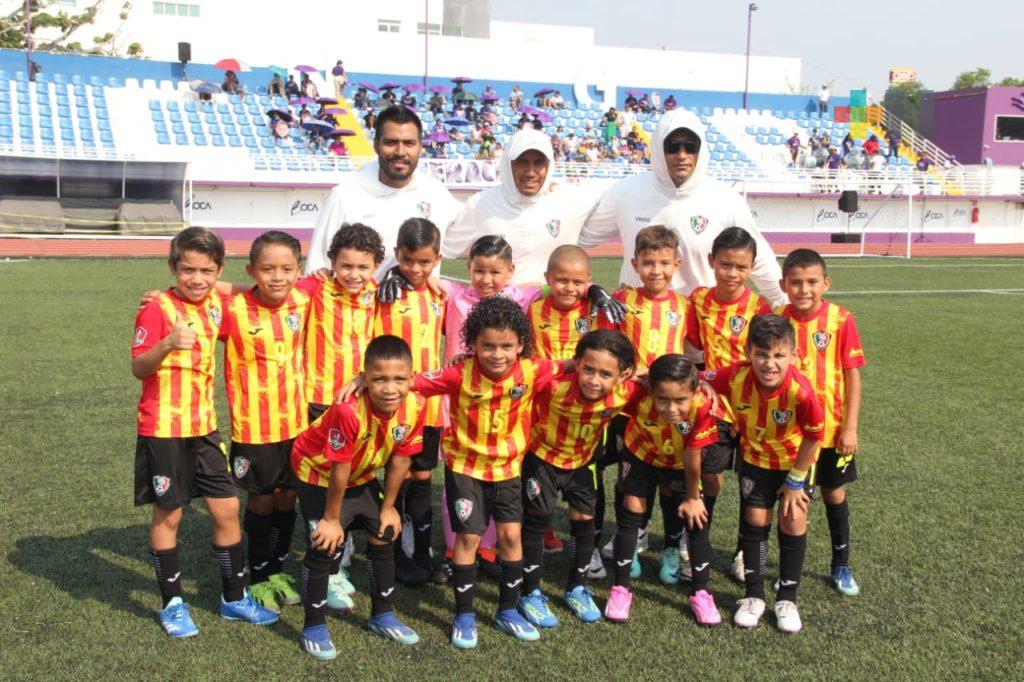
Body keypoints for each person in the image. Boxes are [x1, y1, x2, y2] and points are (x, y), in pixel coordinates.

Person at [132, 227, 278, 638]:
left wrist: (230, 283)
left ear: (218, 271)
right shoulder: (157, 307)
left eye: (207, 271)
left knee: (227, 509)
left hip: (205, 429)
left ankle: (233, 598)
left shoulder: (216, 301)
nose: (196, 279)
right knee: (170, 514)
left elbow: (255, 289)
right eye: (188, 270)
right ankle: (172, 604)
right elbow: (138, 367)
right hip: (163, 430)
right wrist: (167, 343)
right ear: (172, 268)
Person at [291, 335, 427, 658]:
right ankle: (313, 626)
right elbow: (339, 468)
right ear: (364, 379)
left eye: (399, 379)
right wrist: (331, 519)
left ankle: (382, 615)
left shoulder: (417, 405)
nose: (389, 388)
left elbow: (401, 460)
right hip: (318, 470)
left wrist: (389, 508)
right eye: (379, 379)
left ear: (411, 378)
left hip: (360, 471)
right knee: (325, 542)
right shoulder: (348, 410)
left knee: (384, 531)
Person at [578, 108, 786, 306]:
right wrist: (586, 288)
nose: (682, 155)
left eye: (690, 146)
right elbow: (579, 238)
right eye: (673, 146)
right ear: (658, 148)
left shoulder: (726, 199)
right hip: (638, 320)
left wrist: (785, 304)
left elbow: (760, 258)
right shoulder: (626, 192)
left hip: (700, 322)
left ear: (701, 149)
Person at [703, 314, 826, 633]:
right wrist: (698, 384)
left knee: (792, 520)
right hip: (755, 461)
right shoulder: (735, 376)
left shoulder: (801, 391)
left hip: (794, 464)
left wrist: (796, 480)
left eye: (779, 355)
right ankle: (754, 596)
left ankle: (787, 599)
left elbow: (814, 436)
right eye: (761, 354)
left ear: (793, 356)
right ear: (748, 353)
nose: (770, 363)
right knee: (756, 521)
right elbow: (696, 377)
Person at [593, 225, 697, 576]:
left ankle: (672, 542)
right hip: (630, 407)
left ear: (677, 264)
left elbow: (696, 351)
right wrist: (627, 371)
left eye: (664, 263)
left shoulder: (684, 306)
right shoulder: (622, 301)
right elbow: (607, 347)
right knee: (629, 475)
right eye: (649, 263)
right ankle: (634, 533)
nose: (656, 270)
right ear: (635, 263)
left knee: (670, 477)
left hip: (670, 408)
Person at [519, 330, 642, 627]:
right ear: (577, 363)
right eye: (588, 369)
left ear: (622, 375)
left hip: (583, 463)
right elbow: (517, 371)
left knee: (585, 521)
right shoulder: (553, 385)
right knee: (538, 519)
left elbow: (665, 384)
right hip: (542, 459)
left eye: (605, 374)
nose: (594, 380)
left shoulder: (625, 392)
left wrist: (700, 384)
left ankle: (576, 587)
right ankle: (530, 592)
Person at [218, 232, 308, 614]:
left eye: (286, 269)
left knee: (288, 498)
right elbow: (198, 293)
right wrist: (161, 295)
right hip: (254, 427)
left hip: (297, 425)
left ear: (298, 270)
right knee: (261, 500)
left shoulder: (304, 301)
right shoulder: (233, 309)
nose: (277, 277)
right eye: (267, 269)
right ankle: (257, 576)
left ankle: (277, 570)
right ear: (251, 271)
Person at [776, 249, 865, 597]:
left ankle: (841, 564)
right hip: (792, 433)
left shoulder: (841, 319)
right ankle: (787, 569)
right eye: (795, 282)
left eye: (812, 282)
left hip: (832, 430)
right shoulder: (777, 319)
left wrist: (850, 427)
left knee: (834, 492)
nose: (804, 290)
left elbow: (852, 375)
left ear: (826, 283)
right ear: (783, 284)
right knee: (793, 500)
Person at [604, 354, 718, 623]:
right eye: (662, 399)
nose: (671, 408)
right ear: (651, 391)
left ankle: (701, 592)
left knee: (696, 517)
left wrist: (693, 497)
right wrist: (641, 374)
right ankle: (620, 589)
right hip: (641, 455)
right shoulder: (636, 395)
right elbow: (611, 379)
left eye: (680, 400)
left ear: (694, 393)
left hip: (680, 461)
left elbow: (693, 454)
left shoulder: (702, 406)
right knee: (632, 507)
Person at [688, 227, 772, 583]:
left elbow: (765, 359)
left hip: (754, 409)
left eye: (741, 267)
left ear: (751, 267)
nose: (732, 273)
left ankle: (743, 551)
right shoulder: (698, 300)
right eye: (725, 265)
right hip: (715, 408)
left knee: (752, 484)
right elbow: (694, 348)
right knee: (710, 475)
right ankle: (698, 541)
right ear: (712, 261)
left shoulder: (759, 307)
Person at [373, 219, 449, 586]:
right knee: (396, 475)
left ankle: (421, 551)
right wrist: (387, 275)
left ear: (437, 259)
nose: (415, 269)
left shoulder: (440, 294)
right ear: (396, 255)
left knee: (421, 475)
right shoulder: (383, 293)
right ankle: (395, 551)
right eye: (406, 261)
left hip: (428, 405)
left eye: (424, 262)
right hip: (392, 405)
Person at [306, 106, 461, 278]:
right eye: (391, 143)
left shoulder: (436, 193)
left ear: (420, 147)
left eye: (409, 143)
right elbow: (318, 267)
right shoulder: (346, 195)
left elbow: (471, 234)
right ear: (376, 145)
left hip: (420, 297)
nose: (400, 152)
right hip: (362, 297)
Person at [441, 127, 605, 285]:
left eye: (538, 163)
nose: (530, 172)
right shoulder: (481, 204)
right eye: (522, 162)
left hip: (549, 305)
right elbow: (440, 248)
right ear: (508, 164)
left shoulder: (569, 199)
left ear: (549, 166)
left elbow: (614, 194)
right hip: (498, 305)